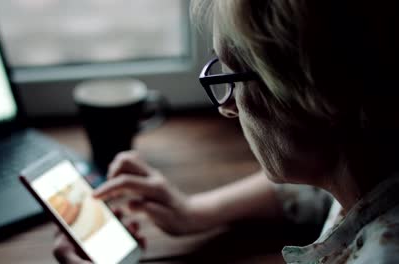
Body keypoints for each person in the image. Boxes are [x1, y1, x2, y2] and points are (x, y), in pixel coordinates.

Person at [54, 0, 399, 263]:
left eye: (232, 77)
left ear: (318, 94)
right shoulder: (368, 162)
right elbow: (318, 185)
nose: (227, 106)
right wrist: (195, 211)